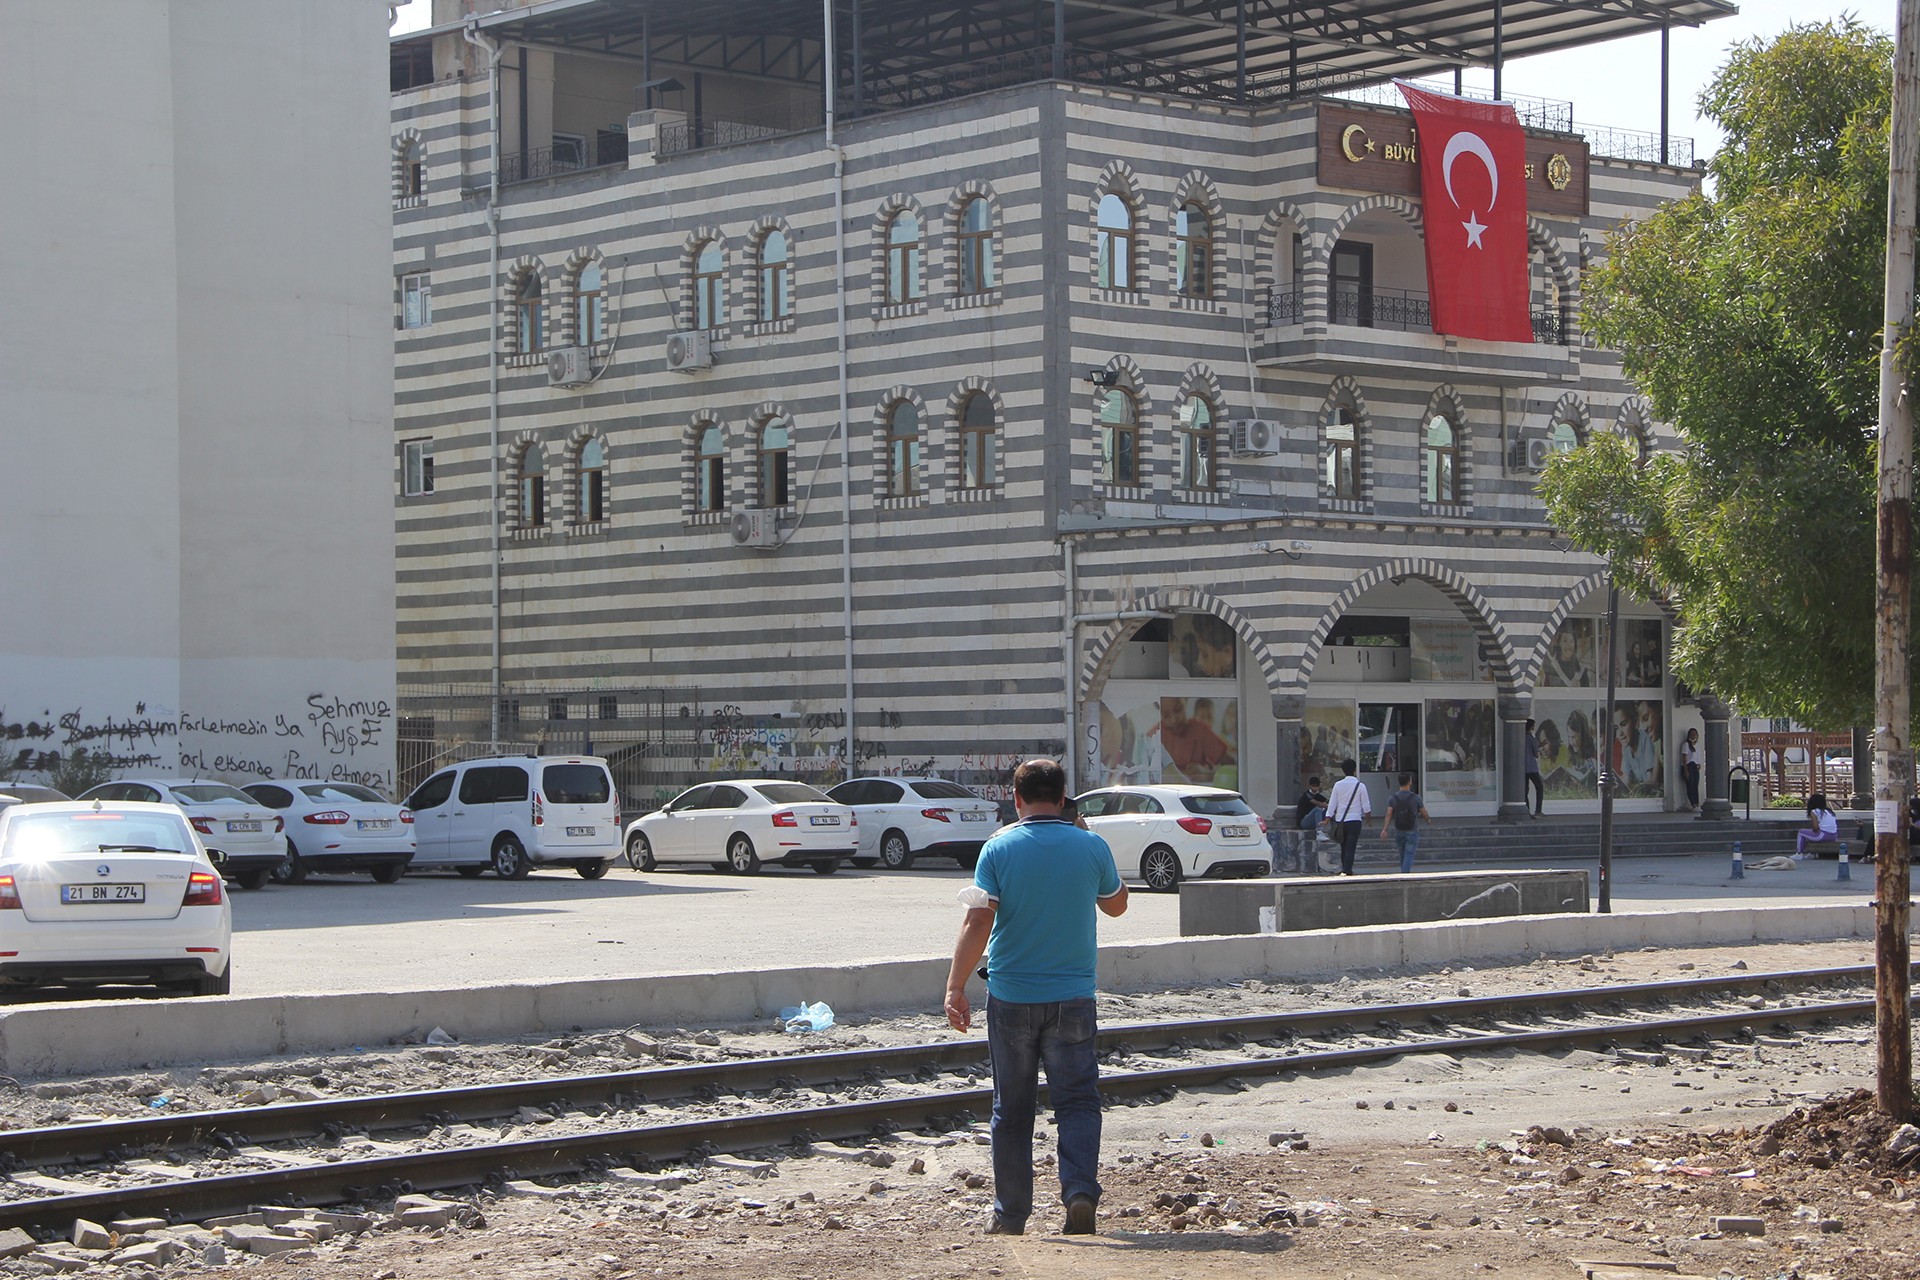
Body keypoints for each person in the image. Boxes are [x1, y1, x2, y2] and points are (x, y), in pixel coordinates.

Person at [944, 759, 1128, 1238]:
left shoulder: (998, 848)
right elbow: (1117, 905)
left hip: (1012, 996)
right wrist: (1084, 832)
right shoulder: (1091, 846)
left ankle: (1010, 1215)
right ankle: (1080, 1193)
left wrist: (955, 987)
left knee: (1012, 1109)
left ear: (1016, 798)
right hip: (1073, 997)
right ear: (1064, 798)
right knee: (1079, 1102)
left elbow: (978, 921)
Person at [1323, 757, 1370, 875]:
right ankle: (1347, 869)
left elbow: (1332, 803)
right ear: (1354, 770)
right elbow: (1366, 805)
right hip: (1355, 820)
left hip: (1341, 821)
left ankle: (1345, 868)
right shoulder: (1361, 786)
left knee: (1343, 846)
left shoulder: (1338, 785)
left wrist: (1327, 818)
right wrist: (1368, 819)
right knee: (1351, 845)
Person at [1379, 772, 1431, 873]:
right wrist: (1427, 819)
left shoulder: (1393, 798)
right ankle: (1405, 874)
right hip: (1412, 829)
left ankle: (1403, 872)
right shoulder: (1416, 798)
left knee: (1402, 853)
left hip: (1399, 829)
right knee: (1409, 853)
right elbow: (1424, 812)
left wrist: (1385, 829)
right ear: (1410, 782)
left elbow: (1389, 814)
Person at [1796, 792, 1838, 859]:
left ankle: (1799, 853)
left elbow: (1815, 828)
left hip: (1823, 835)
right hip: (1834, 836)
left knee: (1801, 832)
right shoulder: (1829, 811)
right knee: (1810, 834)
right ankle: (1812, 853)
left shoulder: (1814, 811)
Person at [1523, 717, 1544, 817]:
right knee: (1539, 787)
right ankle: (1538, 810)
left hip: (1523, 768)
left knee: (1525, 790)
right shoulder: (1531, 738)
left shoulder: (1521, 737)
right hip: (1532, 767)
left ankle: (1527, 811)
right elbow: (1535, 754)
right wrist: (1538, 748)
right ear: (1531, 727)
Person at [1680, 727, 1701, 809]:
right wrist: (1686, 771)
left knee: (1695, 785)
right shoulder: (1686, 744)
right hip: (1688, 766)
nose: (1693, 736)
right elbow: (1684, 758)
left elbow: (1697, 756)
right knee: (1690, 785)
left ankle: (1696, 802)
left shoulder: (1697, 745)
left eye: (1695, 734)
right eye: (1692, 734)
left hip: (1695, 766)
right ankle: (1692, 803)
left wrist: (1699, 764)